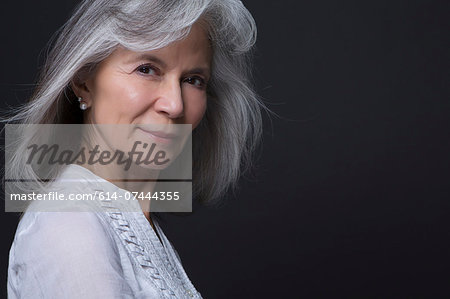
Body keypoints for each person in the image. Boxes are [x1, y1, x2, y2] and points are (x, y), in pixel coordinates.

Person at [5, 0, 264, 298]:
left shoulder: (130, 217)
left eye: (193, 80)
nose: (175, 104)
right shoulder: (69, 225)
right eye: (147, 69)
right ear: (83, 82)